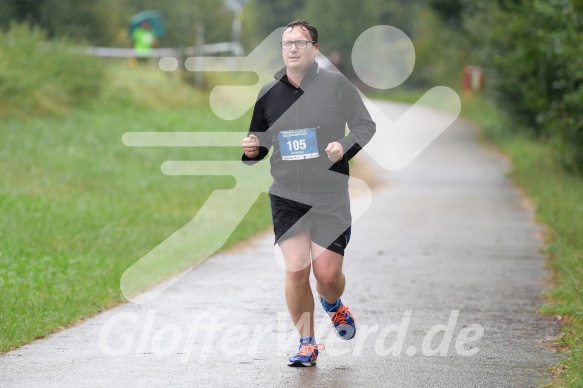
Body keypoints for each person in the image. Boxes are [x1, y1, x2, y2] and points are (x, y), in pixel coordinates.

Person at [241, 20, 376, 367]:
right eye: (287, 43)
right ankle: (307, 343)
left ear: (314, 48)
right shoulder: (269, 93)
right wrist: (253, 149)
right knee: (297, 269)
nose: (292, 49)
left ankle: (333, 304)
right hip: (287, 194)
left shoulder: (336, 85)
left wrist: (343, 147)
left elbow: (365, 125)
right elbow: (260, 139)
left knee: (328, 278)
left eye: (300, 43)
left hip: (329, 194)